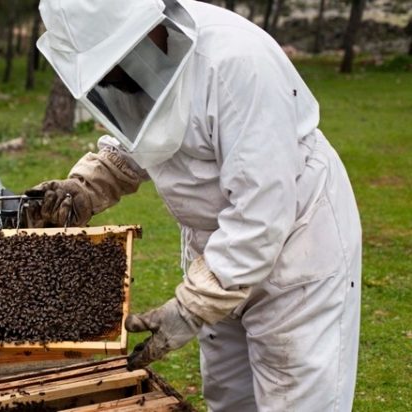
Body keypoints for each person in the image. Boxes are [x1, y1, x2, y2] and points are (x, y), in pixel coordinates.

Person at [29, 0, 362, 410]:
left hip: (297, 245)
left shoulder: (237, 66)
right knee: (229, 398)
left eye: (113, 62)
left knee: (295, 397)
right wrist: (90, 184)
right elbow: (150, 133)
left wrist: (192, 308)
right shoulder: (139, 66)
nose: (111, 77)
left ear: (147, 27)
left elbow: (262, 212)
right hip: (219, 245)